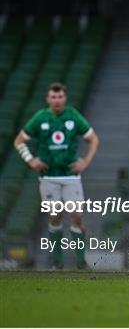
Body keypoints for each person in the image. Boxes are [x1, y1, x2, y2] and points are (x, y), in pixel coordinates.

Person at [14, 82, 99, 269]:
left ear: (65, 98)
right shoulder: (40, 118)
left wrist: (85, 161)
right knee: (54, 216)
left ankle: (80, 262)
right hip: (48, 176)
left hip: (70, 175)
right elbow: (19, 141)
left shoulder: (73, 116)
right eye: (53, 97)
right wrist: (30, 160)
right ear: (48, 99)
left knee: (76, 215)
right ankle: (57, 263)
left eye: (60, 96)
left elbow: (93, 139)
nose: (57, 100)